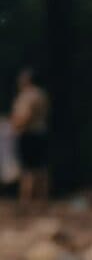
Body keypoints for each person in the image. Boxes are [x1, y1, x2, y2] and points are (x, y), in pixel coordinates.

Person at [12, 69, 48, 207]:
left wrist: (15, 126)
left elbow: (26, 115)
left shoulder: (27, 95)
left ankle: (26, 201)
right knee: (41, 167)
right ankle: (42, 200)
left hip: (28, 133)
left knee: (28, 169)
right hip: (40, 132)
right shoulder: (42, 94)